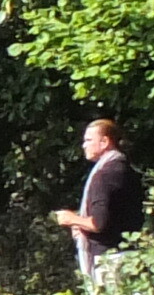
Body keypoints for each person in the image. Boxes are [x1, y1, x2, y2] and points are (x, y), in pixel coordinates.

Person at [51, 118, 140, 282]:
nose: (84, 145)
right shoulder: (125, 169)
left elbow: (98, 223)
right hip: (131, 254)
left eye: (88, 140)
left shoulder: (104, 175)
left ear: (105, 141)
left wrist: (71, 219)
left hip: (109, 260)